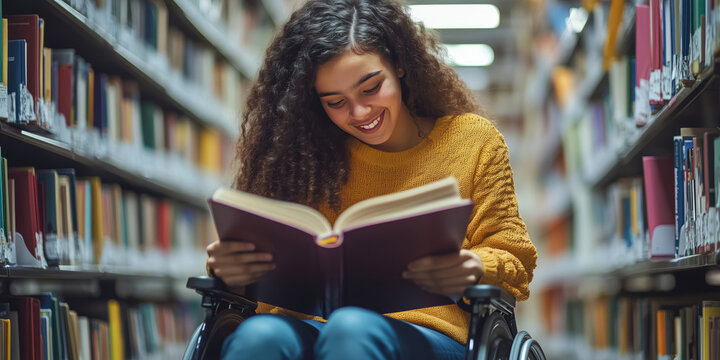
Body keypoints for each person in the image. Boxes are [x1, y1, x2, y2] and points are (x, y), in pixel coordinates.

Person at [205, 0, 537, 358]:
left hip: (431, 334)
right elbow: (249, 282)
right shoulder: (299, 158)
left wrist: (474, 267)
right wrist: (230, 270)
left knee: (352, 329)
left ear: (399, 65)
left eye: (370, 87)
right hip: (308, 327)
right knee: (258, 336)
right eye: (335, 102)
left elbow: (514, 259)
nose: (359, 113)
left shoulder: (472, 141)